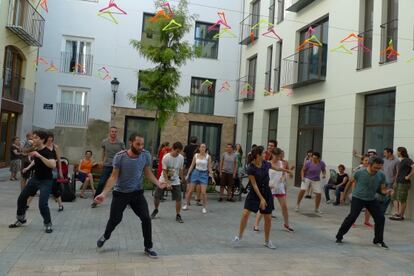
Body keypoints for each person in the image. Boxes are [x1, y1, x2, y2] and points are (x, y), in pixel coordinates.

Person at [94, 133, 166, 258]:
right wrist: (104, 193)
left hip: (137, 194)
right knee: (115, 220)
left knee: (146, 218)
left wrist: (158, 183)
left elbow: (148, 172)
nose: (141, 147)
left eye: (142, 144)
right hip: (120, 194)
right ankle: (105, 236)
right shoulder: (120, 157)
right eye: (138, 144)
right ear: (131, 143)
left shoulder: (145, 155)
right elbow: (113, 176)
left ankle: (148, 247)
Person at [232, 146, 293, 249]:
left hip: (267, 193)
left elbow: (277, 168)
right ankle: (239, 236)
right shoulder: (250, 168)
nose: (265, 155)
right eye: (263, 154)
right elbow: (254, 185)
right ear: (257, 155)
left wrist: (287, 170)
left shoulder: (265, 163)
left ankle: (267, 241)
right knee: (245, 214)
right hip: (255, 194)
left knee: (268, 218)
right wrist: (261, 198)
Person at [336, 157, 394, 249]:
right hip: (358, 198)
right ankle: (339, 236)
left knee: (380, 218)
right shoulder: (359, 173)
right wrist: (343, 196)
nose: (377, 170)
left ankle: (378, 240)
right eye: (375, 167)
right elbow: (349, 183)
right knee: (352, 217)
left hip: (371, 199)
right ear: (370, 165)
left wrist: (387, 191)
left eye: (379, 168)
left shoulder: (381, 175)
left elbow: (382, 189)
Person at [9, 131, 57, 233]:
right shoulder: (35, 149)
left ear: (42, 140)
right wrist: (27, 168)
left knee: (42, 204)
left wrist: (39, 156)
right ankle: (21, 219)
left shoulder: (48, 152)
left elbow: (53, 165)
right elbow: (32, 158)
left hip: (46, 181)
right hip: (35, 179)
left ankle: (48, 224)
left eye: (36, 138)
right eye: (33, 137)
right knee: (22, 198)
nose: (33, 139)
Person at [254, 148, 294, 233]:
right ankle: (256, 224)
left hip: (279, 187)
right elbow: (263, 176)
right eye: (276, 156)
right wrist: (267, 185)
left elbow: (284, 173)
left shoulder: (282, 163)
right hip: (270, 188)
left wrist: (283, 178)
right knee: (264, 207)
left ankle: (286, 225)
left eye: (279, 156)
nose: (278, 158)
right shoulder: (267, 164)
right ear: (272, 155)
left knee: (284, 207)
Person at [151, 142, 185, 223]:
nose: (178, 153)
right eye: (177, 151)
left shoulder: (181, 158)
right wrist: (168, 183)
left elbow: (180, 170)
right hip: (164, 179)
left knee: (178, 198)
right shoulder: (166, 157)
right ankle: (156, 210)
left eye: (179, 151)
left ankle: (178, 215)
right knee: (157, 196)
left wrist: (182, 178)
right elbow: (164, 172)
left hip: (175, 180)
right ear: (172, 149)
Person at [92, 126, 125, 208]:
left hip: (117, 166)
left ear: (117, 133)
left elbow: (124, 154)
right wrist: (102, 161)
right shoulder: (105, 142)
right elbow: (103, 152)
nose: (113, 133)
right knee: (101, 183)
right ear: (109, 132)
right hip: (107, 165)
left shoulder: (120, 143)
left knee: (123, 183)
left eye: (115, 132)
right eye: (112, 131)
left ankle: (127, 201)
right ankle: (95, 201)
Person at [342, 154, 373, 227]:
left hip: (368, 193)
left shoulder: (372, 171)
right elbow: (351, 182)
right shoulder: (358, 171)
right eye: (365, 160)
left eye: (369, 160)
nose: (367, 162)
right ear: (362, 161)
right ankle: (352, 222)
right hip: (357, 193)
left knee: (368, 209)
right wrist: (344, 194)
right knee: (355, 209)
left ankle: (366, 221)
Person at [183, 143, 215, 214]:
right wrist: (188, 174)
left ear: (205, 149)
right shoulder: (196, 155)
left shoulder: (208, 157)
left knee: (203, 192)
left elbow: (209, 167)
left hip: (204, 174)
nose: (203, 148)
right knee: (190, 190)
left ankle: (204, 207)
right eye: (202, 147)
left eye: (204, 147)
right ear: (199, 148)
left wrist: (212, 177)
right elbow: (192, 165)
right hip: (196, 173)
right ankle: (186, 204)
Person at [389, 147, 414, 221]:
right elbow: (398, 173)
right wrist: (395, 182)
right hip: (398, 181)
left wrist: (408, 176)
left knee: (402, 199)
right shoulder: (401, 161)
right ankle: (397, 213)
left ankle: (401, 215)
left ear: (401, 152)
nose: (396, 153)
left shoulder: (407, 160)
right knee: (394, 196)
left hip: (404, 183)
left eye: (397, 151)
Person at [46, 133, 64, 212]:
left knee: (54, 188)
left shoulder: (55, 147)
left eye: (51, 137)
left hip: (53, 169)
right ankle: (27, 205)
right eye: (48, 137)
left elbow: (59, 160)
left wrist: (60, 171)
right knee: (38, 187)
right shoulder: (43, 146)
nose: (50, 139)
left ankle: (60, 205)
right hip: (44, 169)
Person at [379, 148, 399, 215]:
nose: (384, 154)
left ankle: (382, 210)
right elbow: (381, 168)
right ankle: (381, 209)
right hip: (383, 181)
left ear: (389, 153)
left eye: (385, 153)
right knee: (381, 195)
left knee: (387, 197)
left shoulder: (396, 161)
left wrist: (395, 182)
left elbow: (397, 173)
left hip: (390, 181)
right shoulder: (384, 160)